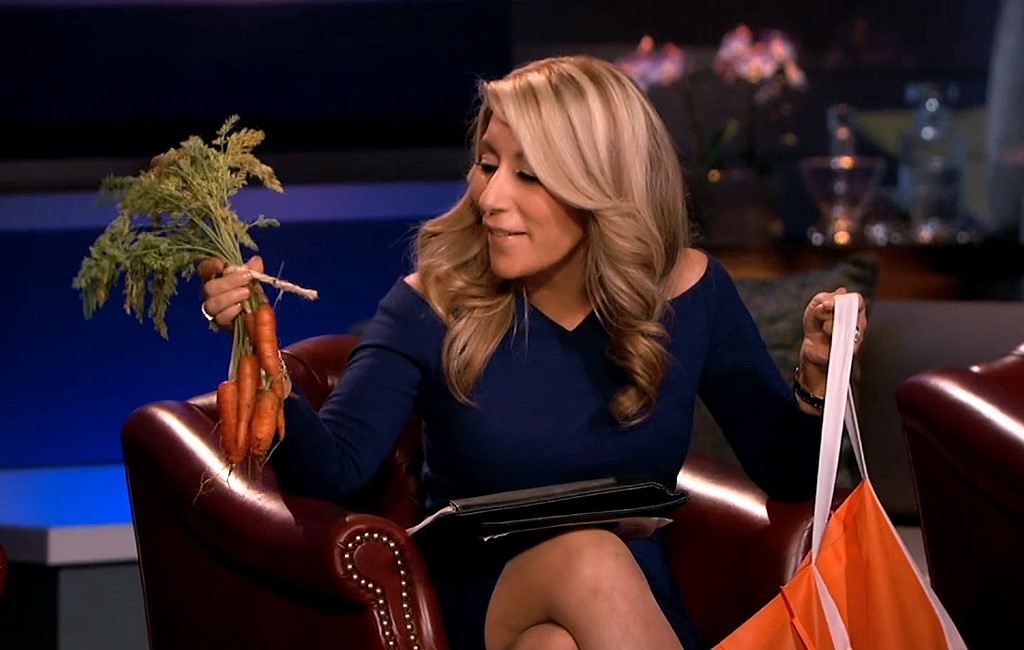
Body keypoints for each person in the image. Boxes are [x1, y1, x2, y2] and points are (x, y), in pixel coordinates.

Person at [199, 55, 868, 650]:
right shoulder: (431, 302)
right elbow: (333, 473)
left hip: (629, 604)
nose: (491, 198)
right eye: (489, 164)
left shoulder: (692, 293)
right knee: (588, 557)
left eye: (530, 175)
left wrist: (816, 376)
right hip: (477, 598)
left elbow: (787, 474)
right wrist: (259, 355)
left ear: (602, 188)